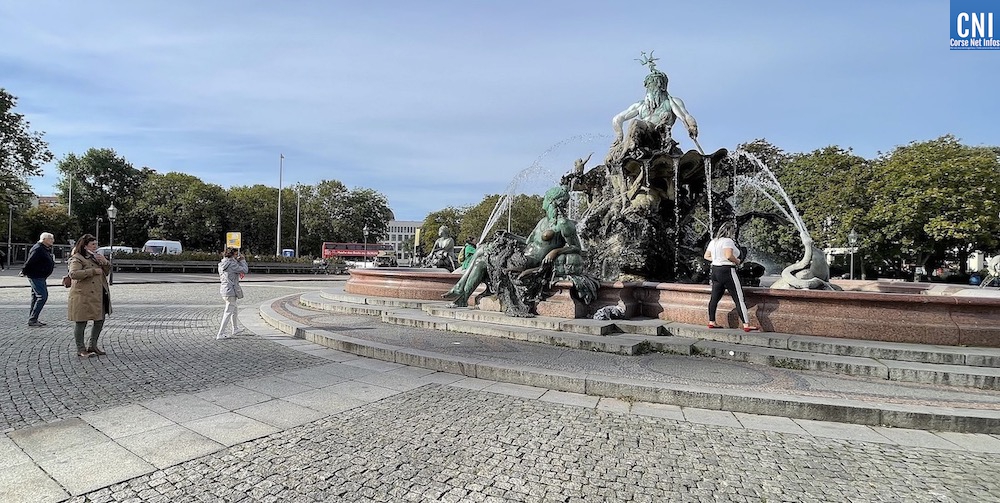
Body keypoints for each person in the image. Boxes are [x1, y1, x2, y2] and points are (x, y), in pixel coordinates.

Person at [443, 186, 582, 308]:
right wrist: (509, 235)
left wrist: (556, 251)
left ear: (552, 202)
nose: (543, 201)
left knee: (482, 259)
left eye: (545, 198)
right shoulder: (542, 221)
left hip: (530, 261)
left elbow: (576, 248)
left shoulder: (564, 224)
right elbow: (527, 241)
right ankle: (461, 293)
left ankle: (461, 294)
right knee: (482, 252)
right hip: (523, 253)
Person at [703, 222, 758, 332]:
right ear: (730, 231)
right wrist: (737, 261)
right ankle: (746, 324)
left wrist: (717, 259)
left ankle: (711, 321)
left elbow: (706, 256)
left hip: (715, 270)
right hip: (727, 271)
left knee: (714, 298)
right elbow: (728, 256)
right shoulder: (728, 241)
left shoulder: (713, 241)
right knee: (739, 298)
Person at [67, 234, 112, 357]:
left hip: (98, 294)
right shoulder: (77, 258)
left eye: (96, 244)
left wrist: (105, 263)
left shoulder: (96, 257)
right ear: (85, 246)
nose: (95, 247)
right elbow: (73, 274)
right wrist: (92, 271)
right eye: (92, 244)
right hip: (83, 295)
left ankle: (93, 345)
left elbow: (105, 272)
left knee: (100, 320)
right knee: (81, 321)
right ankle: (81, 349)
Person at [22, 232, 56, 327]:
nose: (52, 240)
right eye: (50, 238)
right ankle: (33, 319)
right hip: (36, 276)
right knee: (42, 296)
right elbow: (30, 261)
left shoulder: (43, 248)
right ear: (44, 239)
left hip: (40, 276)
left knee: (36, 297)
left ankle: (32, 318)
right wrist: (24, 271)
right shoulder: (38, 249)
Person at [217, 247, 249, 339]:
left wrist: (236, 261)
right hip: (230, 291)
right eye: (236, 254)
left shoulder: (222, 263)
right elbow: (245, 270)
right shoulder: (232, 264)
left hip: (224, 289)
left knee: (234, 309)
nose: (237, 256)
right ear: (232, 255)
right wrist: (242, 260)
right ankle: (220, 333)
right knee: (228, 312)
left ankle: (235, 328)